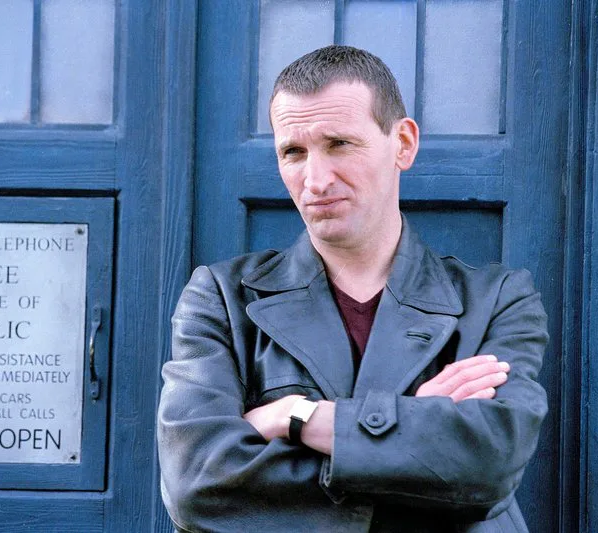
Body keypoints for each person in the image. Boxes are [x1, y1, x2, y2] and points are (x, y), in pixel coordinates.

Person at [158, 45, 548, 532]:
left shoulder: (495, 301)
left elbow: (489, 464)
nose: (316, 180)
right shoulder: (222, 299)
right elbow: (196, 484)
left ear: (402, 144)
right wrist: (412, 433)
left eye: (339, 143)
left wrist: (294, 416)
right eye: (293, 152)